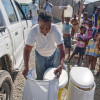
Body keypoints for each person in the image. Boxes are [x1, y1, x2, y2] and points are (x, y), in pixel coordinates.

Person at [22, 10, 65, 80]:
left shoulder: (55, 29)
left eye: (48, 28)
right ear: (37, 22)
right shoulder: (33, 31)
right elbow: (27, 50)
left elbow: (61, 48)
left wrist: (61, 64)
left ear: (51, 23)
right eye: (41, 28)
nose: (45, 31)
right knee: (40, 76)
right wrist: (26, 67)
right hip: (40, 55)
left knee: (54, 74)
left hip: (54, 54)